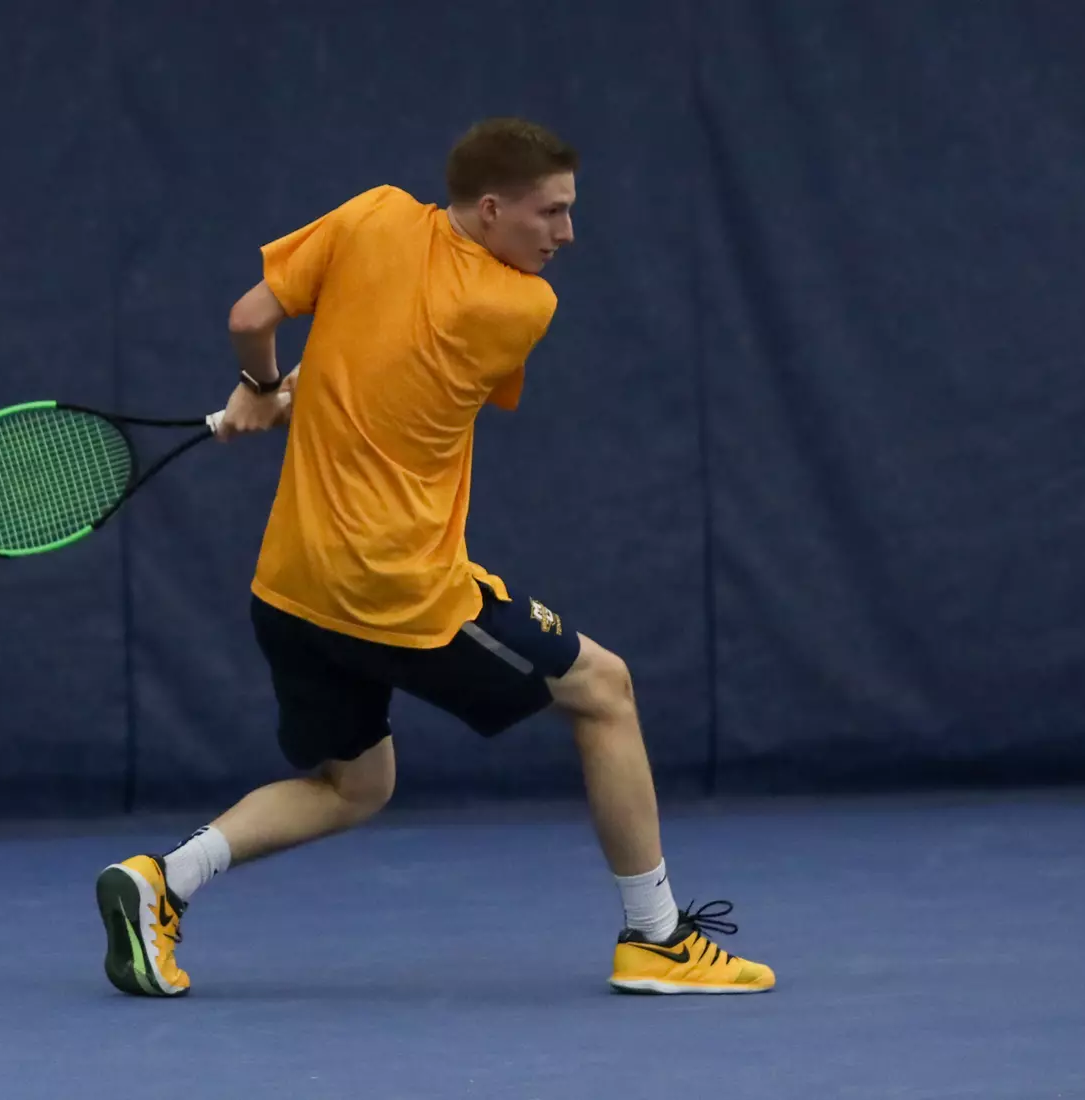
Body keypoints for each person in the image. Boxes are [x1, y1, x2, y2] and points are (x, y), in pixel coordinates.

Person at [93, 118, 774, 997]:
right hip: (397, 591)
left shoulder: (372, 215)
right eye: (550, 214)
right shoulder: (520, 306)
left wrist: (262, 387)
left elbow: (252, 319)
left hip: (292, 586)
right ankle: (658, 940)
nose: (566, 235)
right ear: (491, 211)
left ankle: (162, 882)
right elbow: (401, 375)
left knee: (353, 785)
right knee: (607, 694)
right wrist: (286, 394)